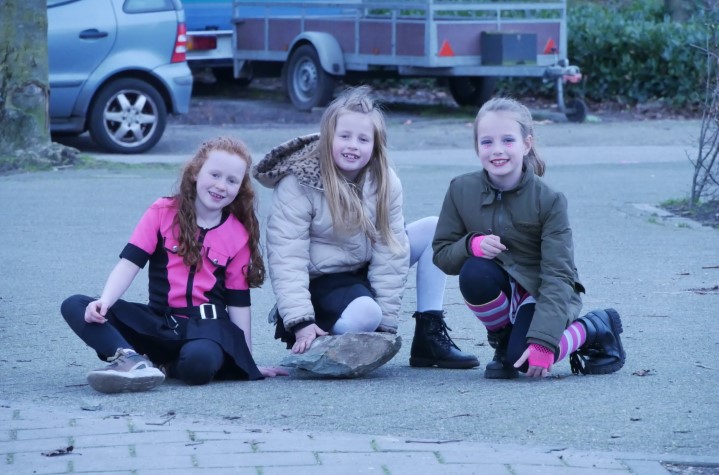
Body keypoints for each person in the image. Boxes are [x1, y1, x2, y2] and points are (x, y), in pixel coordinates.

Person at [252, 85, 478, 369]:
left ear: (375, 145)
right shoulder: (298, 182)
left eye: (363, 139)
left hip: (362, 269)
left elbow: (391, 251)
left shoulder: (384, 180)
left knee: (434, 229)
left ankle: (428, 337)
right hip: (320, 283)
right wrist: (300, 320)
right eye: (344, 136)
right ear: (328, 136)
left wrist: (386, 325)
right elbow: (287, 258)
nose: (352, 145)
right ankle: (321, 337)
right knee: (366, 314)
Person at [61, 137, 288, 394]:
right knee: (76, 305)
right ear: (195, 172)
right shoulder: (162, 211)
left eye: (232, 180)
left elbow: (239, 302)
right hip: (157, 323)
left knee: (198, 365)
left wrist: (247, 361)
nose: (221, 186)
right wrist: (105, 301)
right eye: (214, 175)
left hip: (207, 330)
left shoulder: (238, 234)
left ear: (241, 187)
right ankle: (130, 359)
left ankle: (165, 367)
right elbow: (129, 264)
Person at [432, 97, 626, 379]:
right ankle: (504, 341)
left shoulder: (550, 200)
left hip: (541, 290)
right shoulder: (460, 189)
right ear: (477, 147)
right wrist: (470, 245)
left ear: (526, 144)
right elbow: (441, 255)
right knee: (474, 272)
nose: (497, 150)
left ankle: (595, 326)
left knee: (525, 362)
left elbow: (559, 275)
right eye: (487, 142)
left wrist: (544, 342)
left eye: (508, 140)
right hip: (500, 283)